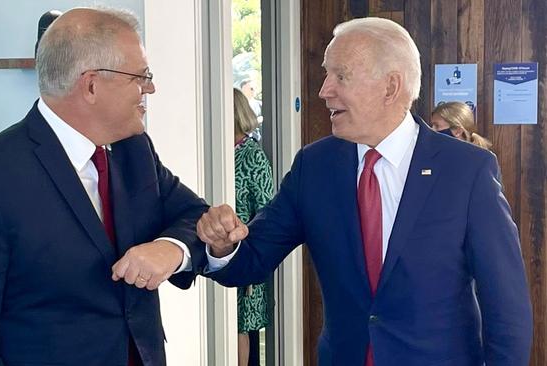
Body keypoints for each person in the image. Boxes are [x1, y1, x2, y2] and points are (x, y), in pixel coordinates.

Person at [199, 17, 532, 366]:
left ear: (390, 87)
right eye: (328, 75)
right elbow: (251, 260)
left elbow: (506, 308)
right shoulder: (314, 167)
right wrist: (222, 247)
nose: (324, 90)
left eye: (340, 76)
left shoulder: (467, 170)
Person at [0, 8, 208, 366]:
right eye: (140, 76)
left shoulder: (135, 152)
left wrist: (170, 249)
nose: (149, 88)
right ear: (90, 85)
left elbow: (197, 219)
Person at [232, 88, 274, 366]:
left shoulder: (252, 156)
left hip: (246, 255)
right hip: (217, 255)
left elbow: (268, 209)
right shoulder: (218, 152)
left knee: (242, 327)